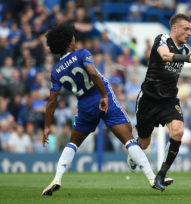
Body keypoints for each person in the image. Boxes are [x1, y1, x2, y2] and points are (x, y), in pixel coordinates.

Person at [41, 24, 165, 196]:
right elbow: (92, 73)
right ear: (70, 42)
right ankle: (152, 178)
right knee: (128, 136)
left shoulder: (55, 72)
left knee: (73, 143)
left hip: (84, 106)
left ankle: (57, 178)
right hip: (101, 97)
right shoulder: (82, 53)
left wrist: (46, 126)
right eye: (73, 38)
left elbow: (52, 101)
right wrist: (105, 95)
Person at [128, 13, 191, 191]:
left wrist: (187, 57)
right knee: (144, 143)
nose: (189, 33)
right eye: (186, 29)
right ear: (174, 28)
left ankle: (161, 174)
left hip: (169, 100)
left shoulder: (184, 49)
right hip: (149, 99)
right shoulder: (162, 39)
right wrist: (187, 58)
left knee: (178, 131)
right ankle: (133, 154)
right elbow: (165, 56)